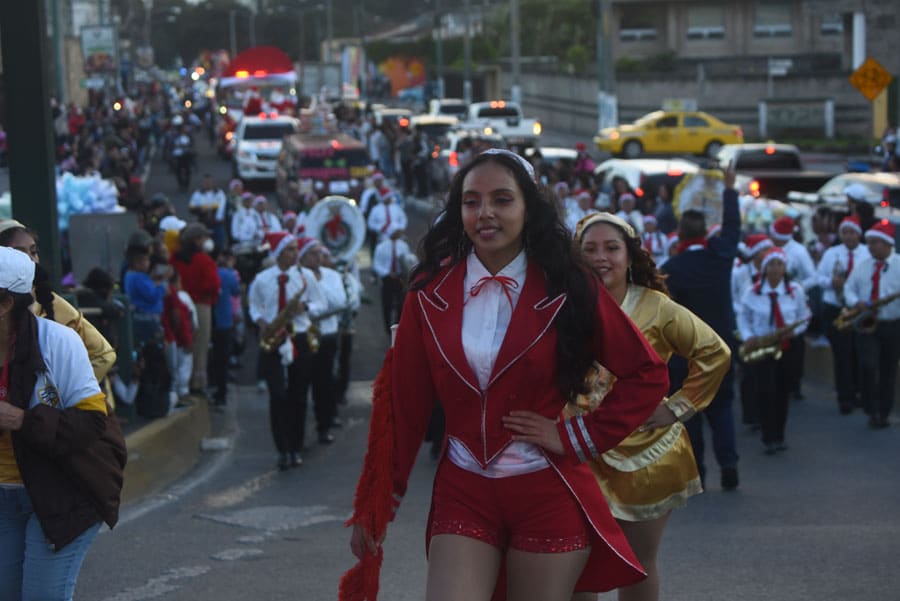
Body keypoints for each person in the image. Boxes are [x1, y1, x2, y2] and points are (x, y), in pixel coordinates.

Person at [345, 149, 669, 601]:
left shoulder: (570, 287)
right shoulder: (427, 292)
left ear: (528, 208)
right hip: (464, 487)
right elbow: (405, 406)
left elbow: (647, 374)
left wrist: (576, 436)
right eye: (472, 201)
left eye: (502, 199)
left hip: (545, 488)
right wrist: (378, 502)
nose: (485, 214)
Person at [571, 212, 731, 601]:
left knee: (637, 566)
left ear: (630, 255)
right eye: (589, 249)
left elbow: (714, 352)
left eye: (612, 248)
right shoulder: (563, 306)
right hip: (579, 450)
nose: (601, 257)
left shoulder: (657, 307)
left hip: (646, 453)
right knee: (577, 564)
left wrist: (678, 407)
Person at [0, 246, 124, 600]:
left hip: (61, 491)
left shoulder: (57, 341)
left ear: (5, 304)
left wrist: (22, 419)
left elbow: (92, 422)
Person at [660, 164, 741, 491]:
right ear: (706, 234)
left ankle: (699, 472)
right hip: (720, 348)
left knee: (688, 414)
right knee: (722, 410)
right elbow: (734, 227)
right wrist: (730, 188)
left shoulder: (671, 268)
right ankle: (729, 463)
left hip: (685, 352)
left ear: (679, 235)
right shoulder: (720, 258)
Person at [0, 221, 116, 385]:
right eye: (18, 254)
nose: (30, 260)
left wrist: (60, 396)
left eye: (34, 252)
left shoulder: (51, 305)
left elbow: (104, 354)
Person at [248, 232, 326, 470]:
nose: (296, 253)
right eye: (291, 249)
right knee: (278, 396)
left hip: (299, 338)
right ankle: (282, 449)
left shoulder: (305, 277)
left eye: (295, 248)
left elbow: (322, 303)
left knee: (298, 395)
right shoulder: (262, 279)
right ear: (279, 253)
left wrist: (306, 307)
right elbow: (253, 305)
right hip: (275, 338)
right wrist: (260, 321)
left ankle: (295, 447)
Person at [736, 247, 810, 454]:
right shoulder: (752, 291)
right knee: (766, 390)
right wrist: (748, 336)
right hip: (763, 344)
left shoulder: (795, 290)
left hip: (787, 346)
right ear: (765, 268)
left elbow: (804, 317)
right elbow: (743, 317)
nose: (776, 269)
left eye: (780, 264)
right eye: (772, 264)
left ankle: (780, 434)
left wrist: (793, 332)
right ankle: (768, 436)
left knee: (783, 391)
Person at [843, 220, 900, 429]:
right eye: (869, 242)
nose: (871, 246)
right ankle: (870, 406)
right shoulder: (863, 265)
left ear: (887, 244)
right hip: (866, 322)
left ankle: (882, 412)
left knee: (888, 370)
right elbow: (849, 288)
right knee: (868, 365)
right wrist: (855, 302)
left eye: (875, 242)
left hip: (892, 324)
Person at [815, 216, 870, 414]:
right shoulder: (832, 253)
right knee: (842, 354)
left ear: (858, 234)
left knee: (860, 352)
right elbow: (818, 278)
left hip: (859, 308)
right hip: (836, 307)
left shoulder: (866, 253)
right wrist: (832, 282)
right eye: (845, 232)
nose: (848, 236)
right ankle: (845, 397)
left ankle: (860, 393)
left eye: (852, 232)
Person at [298, 238, 347, 443]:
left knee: (324, 383)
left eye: (320, 253)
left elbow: (339, 302)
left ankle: (324, 426)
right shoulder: (298, 276)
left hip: (326, 335)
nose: (319, 257)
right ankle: (297, 435)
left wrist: (316, 293)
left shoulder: (333, 276)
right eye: (313, 253)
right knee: (300, 384)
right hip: (303, 334)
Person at [170, 223, 220, 396]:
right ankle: (197, 384)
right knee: (200, 345)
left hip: (178, 304)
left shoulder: (174, 258)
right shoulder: (204, 260)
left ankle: (182, 383)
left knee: (182, 344)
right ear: (197, 240)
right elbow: (213, 285)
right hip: (200, 305)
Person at [162, 268, 196, 411]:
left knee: (176, 370)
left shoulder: (173, 293)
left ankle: (176, 398)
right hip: (176, 337)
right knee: (177, 371)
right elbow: (179, 318)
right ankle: (176, 398)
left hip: (175, 336)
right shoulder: (175, 294)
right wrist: (183, 337)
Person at [211, 249, 241, 407]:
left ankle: (215, 387)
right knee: (222, 359)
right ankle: (221, 393)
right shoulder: (229, 275)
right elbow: (236, 291)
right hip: (225, 321)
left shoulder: (212, 274)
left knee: (215, 358)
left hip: (212, 321)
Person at [371, 224, 413, 336]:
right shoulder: (381, 247)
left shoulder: (403, 246)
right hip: (387, 279)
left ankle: (398, 325)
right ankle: (387, 328)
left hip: (400, 278)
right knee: (387, 304)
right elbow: (376, 264)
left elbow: (408, 260)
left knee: (401, 303)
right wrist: (386, 272)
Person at [189, 173, 227, 251]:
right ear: (203, 183)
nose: (207, 184)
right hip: (203, 224)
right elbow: (191, 207)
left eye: (209, 182)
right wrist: (200, 209)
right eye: (205, 182)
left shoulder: (219, 193)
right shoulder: (197, 194)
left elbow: (222, 207)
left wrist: (218, 218)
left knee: (219, 246)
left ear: (212, 182)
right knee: (202, 247)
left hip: (216, 224)